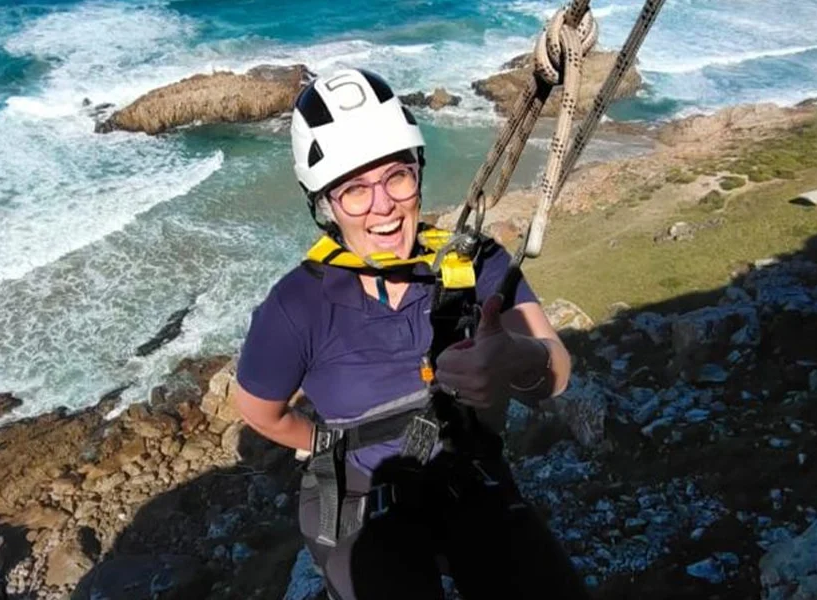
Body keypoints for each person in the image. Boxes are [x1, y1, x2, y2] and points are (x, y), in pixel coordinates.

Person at [235, 68, 588, 599]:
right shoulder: (297, 305)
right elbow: (257, 409)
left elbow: (555, 373)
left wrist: (515, 358)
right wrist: (325, 444)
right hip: (363, 495)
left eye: (396, 176)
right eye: (354, 190)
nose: (382, 205)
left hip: (464, 473)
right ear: (326, 205)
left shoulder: (473, 263)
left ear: (417, 173)